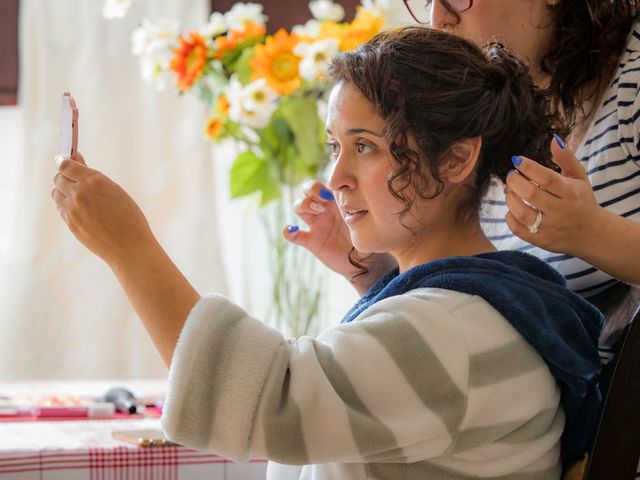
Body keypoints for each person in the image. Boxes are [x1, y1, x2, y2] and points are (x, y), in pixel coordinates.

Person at [51, 28, 602, 479]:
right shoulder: (489, 306)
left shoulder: (449, 331)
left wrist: (131, 250)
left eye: (364, 147)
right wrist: (376, 280)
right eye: (336, 146)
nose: (335, 177)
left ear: (457, 160)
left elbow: (273, 402)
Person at [287, 0, 640, 299]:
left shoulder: (632, 81)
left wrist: (593, 232)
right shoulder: (479, 118)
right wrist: (378, 274)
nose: (439, 18)